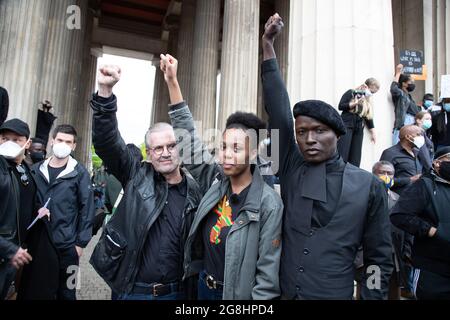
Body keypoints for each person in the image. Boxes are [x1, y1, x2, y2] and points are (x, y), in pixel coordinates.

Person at [261, 14, 392, 300]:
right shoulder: (291, 166)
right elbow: (279, 111)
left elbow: (378, 258)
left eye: (319, 131)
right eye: (302, 132)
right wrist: (268, 46)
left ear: (338, 133)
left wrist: (372, 298)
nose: (309, 139)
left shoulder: (369, 186)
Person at [161, 53, 284, 300]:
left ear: (253, 152)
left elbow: (267, 276)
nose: (226, 155)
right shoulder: (215, 181)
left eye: (236, 149)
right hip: (202, 287)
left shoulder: (269, 203)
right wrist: (173, 82)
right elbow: (190, 145)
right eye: (223, 146)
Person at [89, 65, 202, 301]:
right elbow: (107, 142)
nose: (165, 153)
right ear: (148, 154)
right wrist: (105, 93)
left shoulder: (196, 192)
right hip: (133, 291)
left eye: (171, 146)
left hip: (176, 293)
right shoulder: (136, 175)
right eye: (157, 148)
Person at [31, 124, 94, 300]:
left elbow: (87, 209)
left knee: (69, 291)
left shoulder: (80, 173)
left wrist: (80, 245)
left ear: (74, 146)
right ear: (52, 141)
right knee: (41, 291)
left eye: (68, 142)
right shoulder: (36, 170)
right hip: (40, 245)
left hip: (68, 247)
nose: (63, 144)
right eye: (59, 140)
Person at [391, 147, 450, 300]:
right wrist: (433, 231)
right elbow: (400, 215)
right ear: (437, 163)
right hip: (432, 271)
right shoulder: (424, 185)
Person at [0, 119, 49, 299]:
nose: (10, 144)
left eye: (17, 139)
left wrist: (39, 210)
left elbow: (25, 200)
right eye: (5, 139)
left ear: (27, 143)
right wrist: (8, 249)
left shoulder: (25, 169)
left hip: (14, 253)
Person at [371, 161, 413, 300]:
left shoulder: (399, 200)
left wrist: (406, 255)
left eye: (390, 173)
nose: (386, 176)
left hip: (394, 258)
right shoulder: (365, 197)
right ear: (373, 174)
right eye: (382, 173)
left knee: (393, 295)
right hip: (373, 260)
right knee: (373, 292)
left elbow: (406, 230)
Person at [337, 78, 379, 167]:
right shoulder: (351, 93)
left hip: (359, 125)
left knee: (355, 156)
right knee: (343, 151)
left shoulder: (368, 100)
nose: (371, 94)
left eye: (373, 93)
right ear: (366, 86)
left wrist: (373, 132)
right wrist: (354, 103)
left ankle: (353, 175)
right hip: (347, 122)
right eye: (371, 91)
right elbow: (341, 106)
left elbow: (368, 117)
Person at [380, 125, 429, 196]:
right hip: (398, 198)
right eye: (418, 134)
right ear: (407, 137)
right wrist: (409, 179)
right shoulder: (390, 153)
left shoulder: (417, 152)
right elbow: (382, 179)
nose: (421, 137)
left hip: (417, 196)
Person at [391, 64, 420, 144]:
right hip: (403, 125)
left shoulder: (408, 96)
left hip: (411, 125)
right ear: (404, 83)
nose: (412, 84)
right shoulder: (401, 94)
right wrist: (397, 74)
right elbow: (393, 89)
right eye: (410, 82)